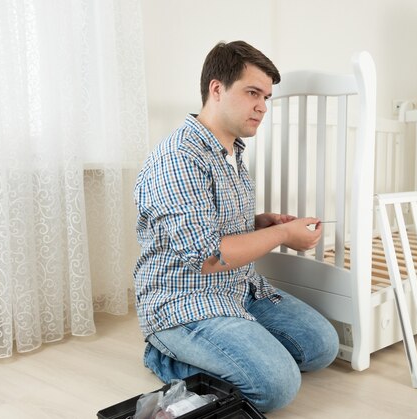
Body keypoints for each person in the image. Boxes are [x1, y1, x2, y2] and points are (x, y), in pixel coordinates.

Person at [133, 40, 339, 412]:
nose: (262, 106)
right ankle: (162, 354)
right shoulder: (179, 158)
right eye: (252, 93)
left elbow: (214, 225)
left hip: (237, 288)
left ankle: (240, 347)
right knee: (277, 387)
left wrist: (263, 222)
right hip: (185, 302)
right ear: (216, 89)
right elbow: (209, 255)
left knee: (322, 346)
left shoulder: (231, 151)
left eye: (266, 97)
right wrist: (279, 236)